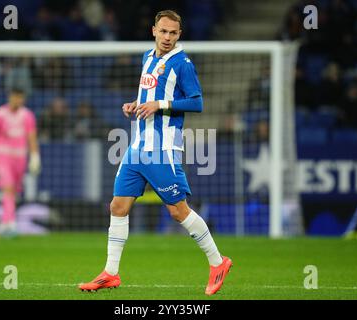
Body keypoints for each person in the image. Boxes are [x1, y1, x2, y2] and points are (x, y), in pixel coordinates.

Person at [79, 10, 232, 296]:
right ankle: (110, 273)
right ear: (153, 31)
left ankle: (218, 261)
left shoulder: (182, 64)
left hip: (162, 148)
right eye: (163, 31)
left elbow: (197, 103)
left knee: (177, 211)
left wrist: (159, 105)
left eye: (173, 33)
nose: (167, 37)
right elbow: (148, 97)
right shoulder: (147, 57)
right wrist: (135, 105)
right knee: (118, 206)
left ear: (179, 35)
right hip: (138, 146)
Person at [0, 88, 41, 237]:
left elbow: (31, 137)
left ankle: (3, 222)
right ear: (10, 97)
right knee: (8, 187)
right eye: (15, 97)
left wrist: (34, 156)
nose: (18, 100)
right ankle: (10, 223)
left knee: (14, 191)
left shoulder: (27, 115)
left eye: (21, 98)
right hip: (3, 155)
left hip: (20, 157)